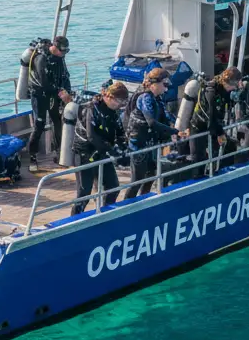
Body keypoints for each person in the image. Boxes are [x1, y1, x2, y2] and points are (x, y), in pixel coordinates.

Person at [123, 68, 181, 200]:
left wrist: (179, 125)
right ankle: (127, 205)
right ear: (154, 83)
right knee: (137, 180)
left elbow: (166, 114)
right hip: (138, 144)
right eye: (164, 85)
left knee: (151, 173)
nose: (166, 89)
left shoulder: (156, 98)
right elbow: (151, 122)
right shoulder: (145, 97)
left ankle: (144, 199)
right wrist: (174, 131)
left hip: (149, 142)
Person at [71, 82, 129, 215]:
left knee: (113, 187)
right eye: (119, 101)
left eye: (123, 102)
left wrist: (123, 148)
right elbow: (92, 136)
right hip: (85, 153)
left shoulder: (114, 112)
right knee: (84, 193)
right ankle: (74, 221)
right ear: (108, 96)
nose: (120, 105)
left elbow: (120, 133)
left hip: (102, 153)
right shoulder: (91, 109)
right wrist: (112, 151)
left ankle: (105, 213)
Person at [27, 36, 73, 173]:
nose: (63, 54)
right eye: (61, 51)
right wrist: (59, 91)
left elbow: (64, 76)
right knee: (39, 124)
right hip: (40, 95)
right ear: (54, 47)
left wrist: (67, 92)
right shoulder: (41, 58)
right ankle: (32, 157)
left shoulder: (60, 57)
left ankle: (60, 153)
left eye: (66, 52)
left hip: (53, 94)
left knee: (57, 121)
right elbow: (43, 82)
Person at [189, 66, 242, 173]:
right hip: (199, 126)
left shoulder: (225, 89)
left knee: (229, 147)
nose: (234, 89)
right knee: (199, 159)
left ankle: (222, 173)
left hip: (215, 125)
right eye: (234, 86)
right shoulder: (211, 90)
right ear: (227, 82)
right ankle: (198, 179)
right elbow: (211, 116)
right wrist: (220, 134)